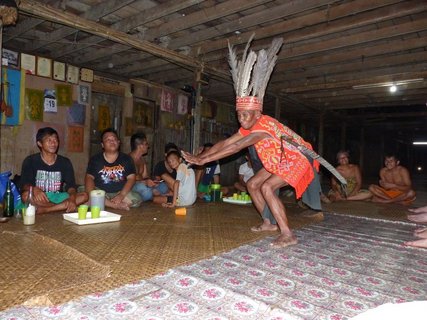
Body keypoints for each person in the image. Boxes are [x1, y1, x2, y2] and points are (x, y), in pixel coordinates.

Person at [183, 37, 319, 248]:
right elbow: (227, 142)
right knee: (253, 184)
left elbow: (236, 147)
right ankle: (268, 223)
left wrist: (204, 161)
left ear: (257, 113)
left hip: (296, 158)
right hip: (279, 160)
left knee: (266, 187)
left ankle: (287, 233)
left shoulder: (263, 127)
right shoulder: (248, 126)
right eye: (239, 115)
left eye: (247, 115)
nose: (242, 119)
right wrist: (202, 157)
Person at [19, 127, 88, 213]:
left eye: (55, 140)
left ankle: (46, 210)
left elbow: (71, 186)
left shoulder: (65, 162)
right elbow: (24, 185)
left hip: (57, 197)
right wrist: (34, 189)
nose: (53, 143)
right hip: (40, 197)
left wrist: (72, 199)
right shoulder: (30, 161)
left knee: (84, 195)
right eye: (49, 140)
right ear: (40, 143)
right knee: (25, 196)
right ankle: (60, 207)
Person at [85, 128, 142, 210]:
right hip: (101, 192)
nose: (112, 141)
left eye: (114, 139)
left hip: (119, 192)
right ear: (102, 144)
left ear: (118, 142)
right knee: (88, 193)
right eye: (108, 139)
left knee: (137, 198)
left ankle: (101, 202)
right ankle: (114, 205)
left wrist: (121, 195)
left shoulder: (127, 159)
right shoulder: (95, 159)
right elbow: (89, 178)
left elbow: (131, 178)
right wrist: (93, 193)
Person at [129, 132, 166, 202]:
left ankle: (150, 195)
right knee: (146, 191)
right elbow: (127, 180)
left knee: (163, 186)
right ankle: (153, 196)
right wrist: (145, 182)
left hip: (142, 185)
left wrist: (152, 182)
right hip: (131, 186)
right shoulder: (128, 159)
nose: (148, 146)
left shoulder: (142, 159)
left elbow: (145, 176)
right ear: (140, 146)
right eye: (146, 144)